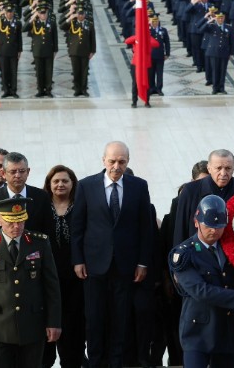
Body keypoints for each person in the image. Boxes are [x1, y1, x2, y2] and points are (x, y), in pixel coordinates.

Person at [69, 141, 154, 367]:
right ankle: (96, 361)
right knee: (94, 319)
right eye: (112, 161)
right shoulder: (86, 186)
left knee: (121, 318)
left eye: (122, 162)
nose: (117, 166)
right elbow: (77, 226)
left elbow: (146, 228)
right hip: (93, 266)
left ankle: (117, 362)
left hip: (126, 266)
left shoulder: (139, 186)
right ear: (103, 160)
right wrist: (77, 260)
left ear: (128, 162)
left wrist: (143, 263)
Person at [0, 198, 62, 368]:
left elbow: (52, 287)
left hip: (32, 325)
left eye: (20, 221)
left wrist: (54, 322)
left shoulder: (39, 243)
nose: (17, 226)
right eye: (11, 222)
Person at [168, 195, 234, 367]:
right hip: (199, 331)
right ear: (196, 222)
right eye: (209, 226)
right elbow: (200, 291)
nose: (214, 231)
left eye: (219, 226)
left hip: (229, 330)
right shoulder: (184, 254)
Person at [41, 165, 86, 368]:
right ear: (49, 185)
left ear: (72, 184)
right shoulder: (40, 207)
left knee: (73, 337)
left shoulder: (82, 205)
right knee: (46, 339)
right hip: (46, 281)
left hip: (76, 281)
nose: (60, 184)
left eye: (65, 181)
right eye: (56, 181)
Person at [173, 149, 234, 245]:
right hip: (198, 252)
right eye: (218, 168)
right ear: (209, 168)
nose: (223, 173)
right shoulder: (191, 190)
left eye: (228, 168)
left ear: (233, 168)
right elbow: (181, 228)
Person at [0, 151, 55, 237]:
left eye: (22, 171)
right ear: (3, 174)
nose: (18, 175)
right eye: (13, 172)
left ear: (28, 171)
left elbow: (49, 231)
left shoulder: (41, 196)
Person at [26, 6, 58, 98]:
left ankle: (48, 90)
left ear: (47, 13)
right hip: (38, 52)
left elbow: (54, 37)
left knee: (48, 71)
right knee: (39, 72)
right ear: (38, 14)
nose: (43, 15)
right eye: (41, 13)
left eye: (44, 13)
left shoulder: (51, 23)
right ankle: (40, 90)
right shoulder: (34, 23)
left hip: (48, 51)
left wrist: (55, 50)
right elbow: (24, 28)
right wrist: (33, 17)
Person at [64, 9, 96, 97]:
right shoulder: (72, 23)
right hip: (74, 51)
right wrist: (70, 17)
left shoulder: (89, 24)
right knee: (76, 71)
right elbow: (62, 26)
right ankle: (77, 89)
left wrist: (93, 51)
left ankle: (84, 89)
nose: (81, 16)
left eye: (82, 14)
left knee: (84, 72)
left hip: (85, 51)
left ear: (85, 15)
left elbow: (92, 38)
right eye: (79, 14)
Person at [0, 6, 23, 98]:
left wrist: (20, 50)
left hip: (13, 50)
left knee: (13, 71)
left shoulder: (17, 23)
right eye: (7, 12)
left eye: (11, 12)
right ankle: (6, 90)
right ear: (5, 13)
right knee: (4, 71)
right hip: (3, 50)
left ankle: (13, 90)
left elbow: (19, 37)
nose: (9, 14)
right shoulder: (0, 22)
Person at [149, 15, 170, 96]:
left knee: (159, 73)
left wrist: (167, 53)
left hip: (160, 55)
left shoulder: (163, 30)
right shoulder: (148, 30)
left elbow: (167, 42)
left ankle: (159, 89)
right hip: (151, 55)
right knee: (151, 73)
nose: (155, 23)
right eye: (153, 21)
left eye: (156, 21)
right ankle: (152, 88)